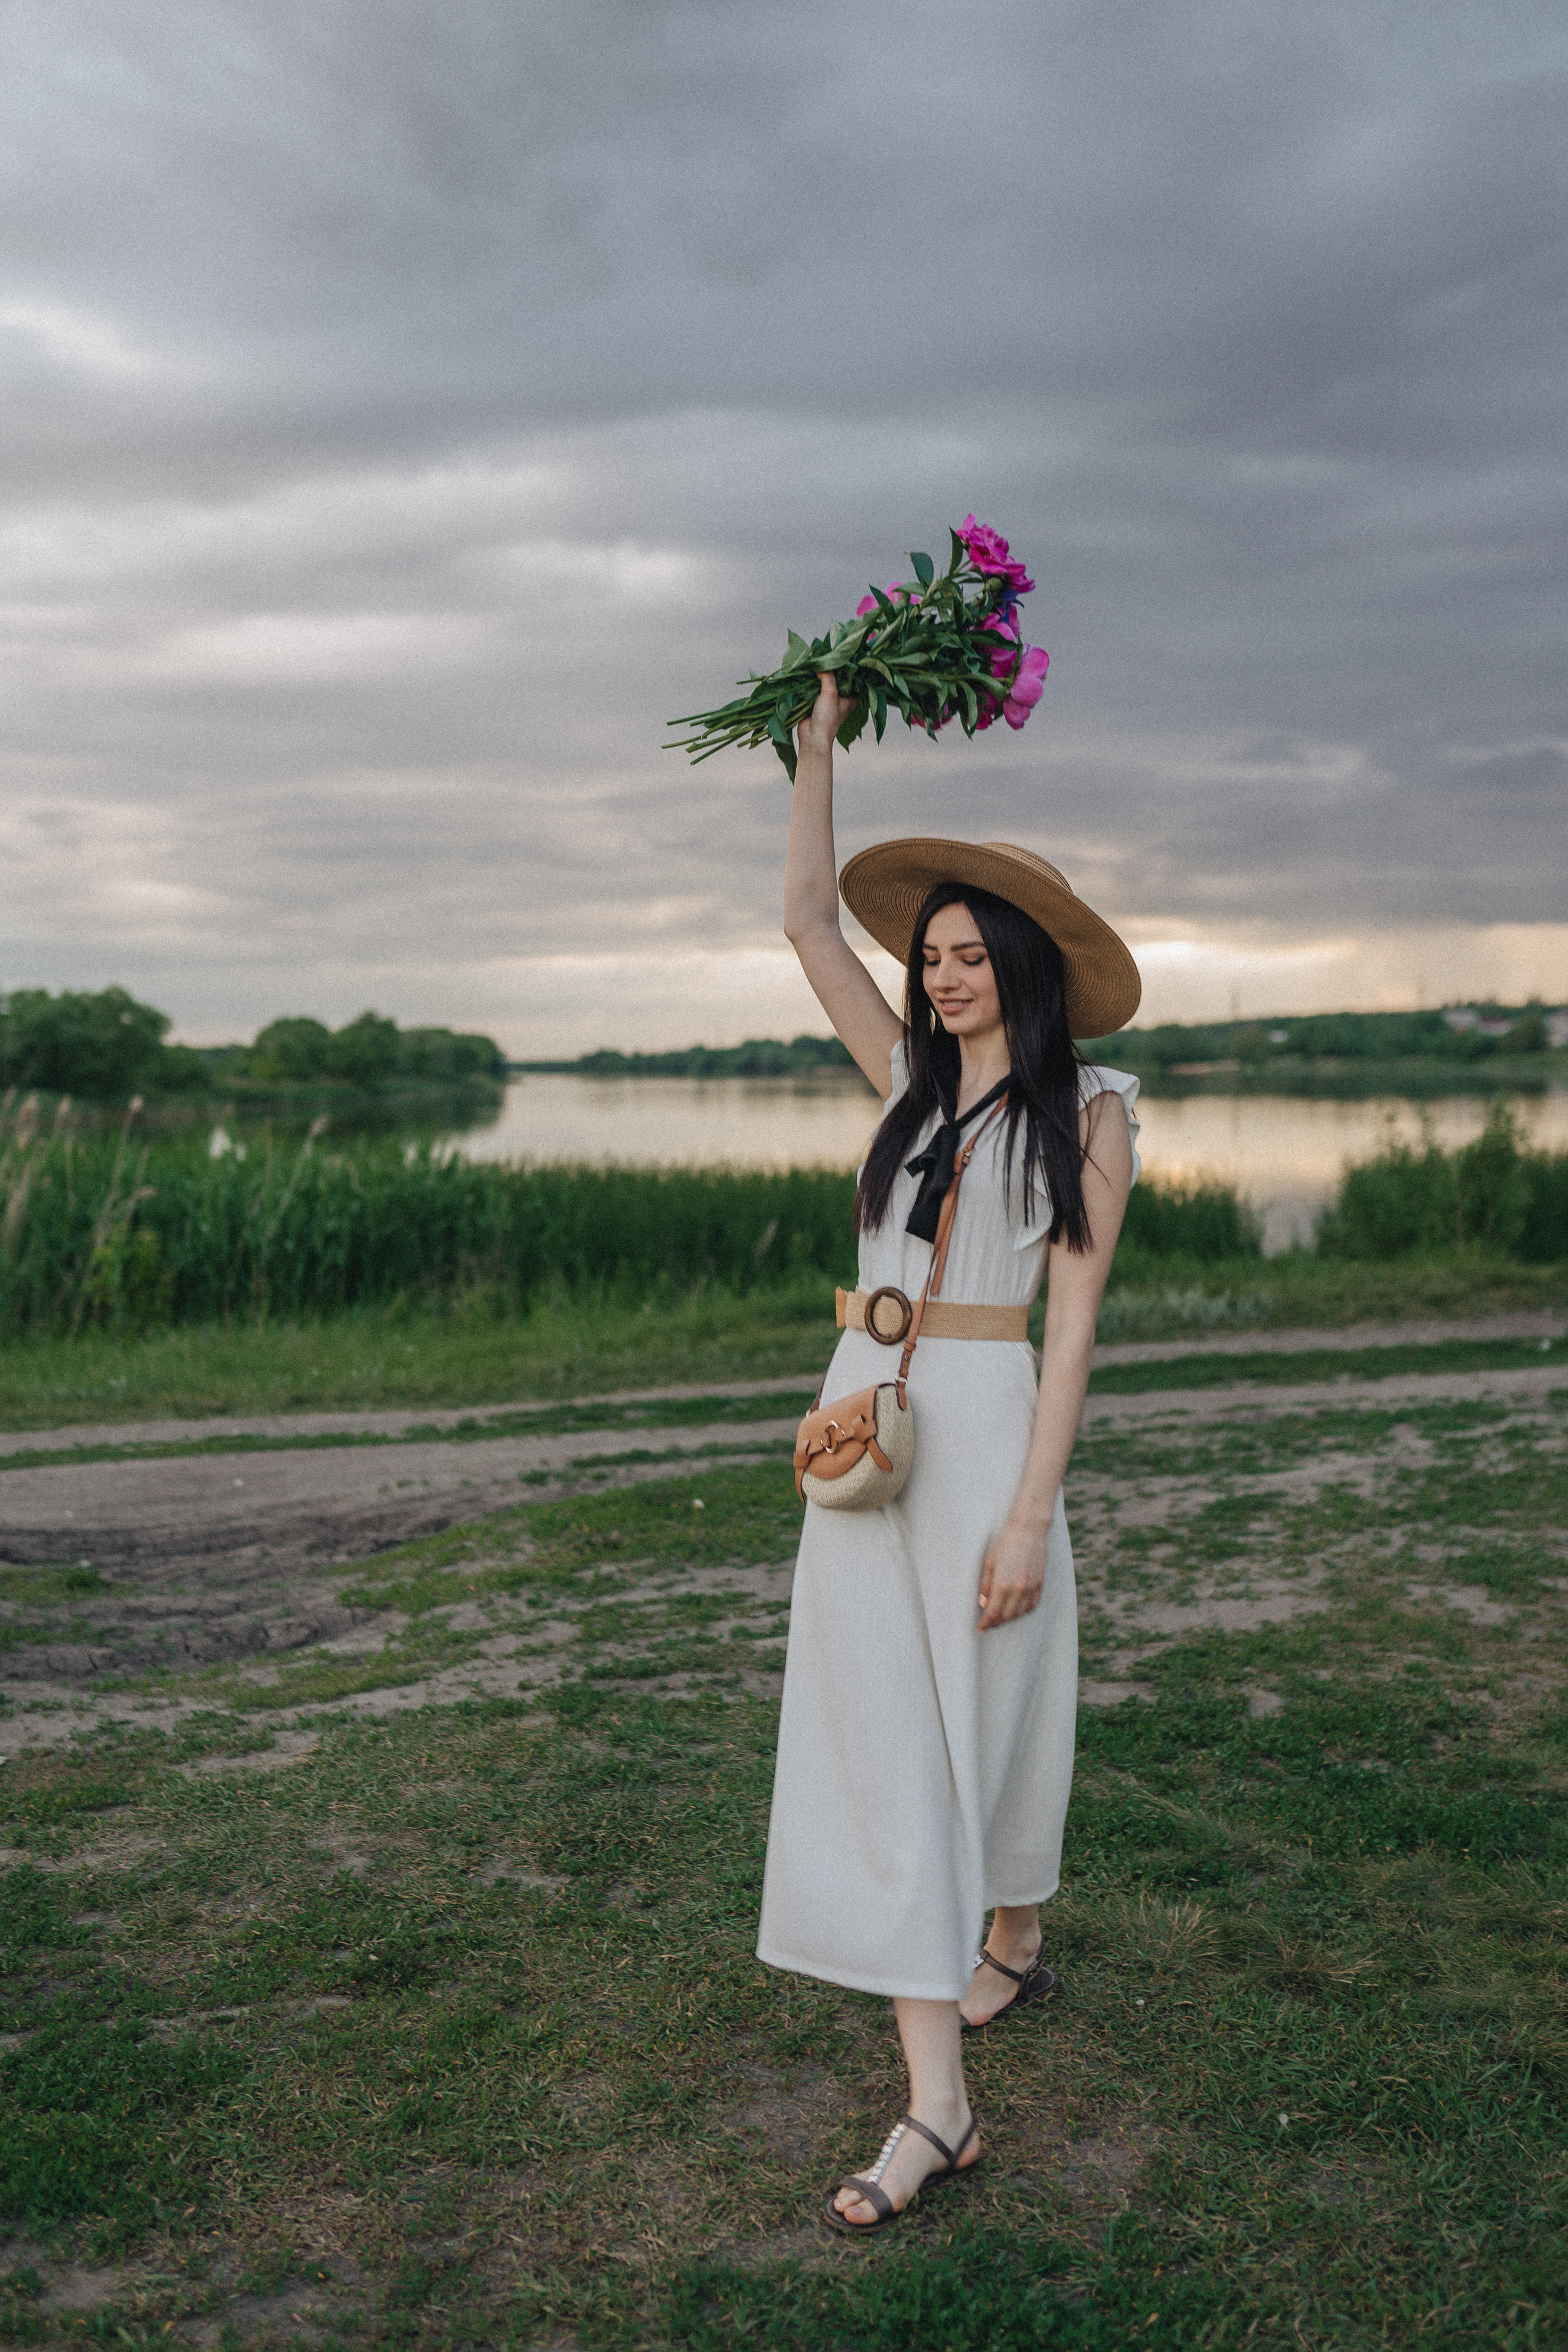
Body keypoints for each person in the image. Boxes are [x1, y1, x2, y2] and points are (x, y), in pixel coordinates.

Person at [756, 673, 1143, 2233]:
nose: (946, 978)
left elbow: (1070, 1333)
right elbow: (801, 926)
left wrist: (1028, 1516)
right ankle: (943, 2098)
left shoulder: (1093, 1116)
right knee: (888, 1744)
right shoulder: (906, 1090)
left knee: (986, 1704)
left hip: (982, 1432)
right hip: (864, 1419)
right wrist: (811, 761)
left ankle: (1001, 1950)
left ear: (1027, 970)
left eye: (974, 958)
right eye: (933, 959)